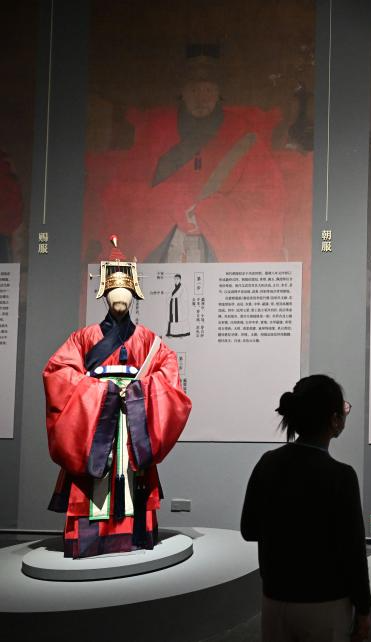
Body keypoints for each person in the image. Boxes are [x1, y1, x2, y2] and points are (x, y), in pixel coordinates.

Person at [43, 236, 191, 558]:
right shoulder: (83, 338)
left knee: (132, 477)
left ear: (135, 294)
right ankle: (91, 541)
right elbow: (58, 373)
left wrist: (137, 394)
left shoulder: (149, 341)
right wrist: (101, 393)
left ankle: (133, 537)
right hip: (95, 422)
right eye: (114, 292)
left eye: (125, 292)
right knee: (95, 476)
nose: (120, 297)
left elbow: (169, 377)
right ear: (104, 294)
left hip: (133, 423)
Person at [95, 43, 287, 263]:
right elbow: (123, 190)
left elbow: (268, 194)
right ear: (183, 93)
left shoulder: (243, 132)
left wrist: (214, 210)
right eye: (195, 90)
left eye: (208, 90)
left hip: (221, 240)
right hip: (161, 235)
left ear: (219, 93)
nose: (201, 99)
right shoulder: (157, 129)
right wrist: (168, 199)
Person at [241, 375, 371, 641]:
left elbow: (249, 530)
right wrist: (363, 608)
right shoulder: (342, 476)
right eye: (344, 408)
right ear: (334, 420)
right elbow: (354, 552)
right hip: (326, 604)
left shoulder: (268, 462)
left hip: (275, 600)